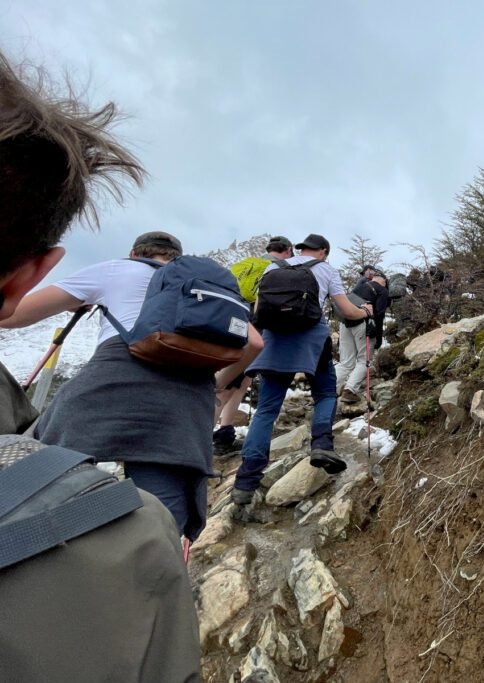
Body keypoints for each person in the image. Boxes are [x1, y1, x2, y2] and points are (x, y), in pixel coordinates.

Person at [0, 50, 201, 681]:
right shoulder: (199, 295)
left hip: (102, 406)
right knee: (143, 541)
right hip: (183, 426)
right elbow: (246, 348)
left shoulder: (113, 270)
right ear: (32, 260)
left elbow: (17, 317)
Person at [3, 230, 263, 541]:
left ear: (135, 253)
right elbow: (255, 344)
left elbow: (11, 315)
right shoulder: (207, 289)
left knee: (45, 497)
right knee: (161, 530)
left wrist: (82, 300)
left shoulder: (116, 269)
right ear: (177, 259)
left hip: (105, 394)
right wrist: (216, 388)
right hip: (183, 414)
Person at [231, 233, 372, 506]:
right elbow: (347, 311)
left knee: (266, 409)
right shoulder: (326, 269)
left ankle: (245, 481)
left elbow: (259, 311)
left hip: (274, 340)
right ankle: (321, 445)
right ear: (323, 252)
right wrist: (365, 312)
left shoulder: (273, 268)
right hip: (311, 339)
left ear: (301, 250)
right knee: (325, 393)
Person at [213, 235, 294, 454]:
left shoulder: (243, 265)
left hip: (226, 321)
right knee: (230, 383)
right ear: (287, 250)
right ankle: (207, 438)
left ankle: (224, 433)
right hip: (253, 326)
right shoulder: (278, 268)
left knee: (238, 380)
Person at [338, 271, 390, 403]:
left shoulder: (359, 286)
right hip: (363, 325)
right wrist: (378, 338)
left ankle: (326, 389)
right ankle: (350, 390)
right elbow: (379, 316)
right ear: (383, 281)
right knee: (364, 361)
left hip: (345, 322)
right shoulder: (382, 291)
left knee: (345, 363)